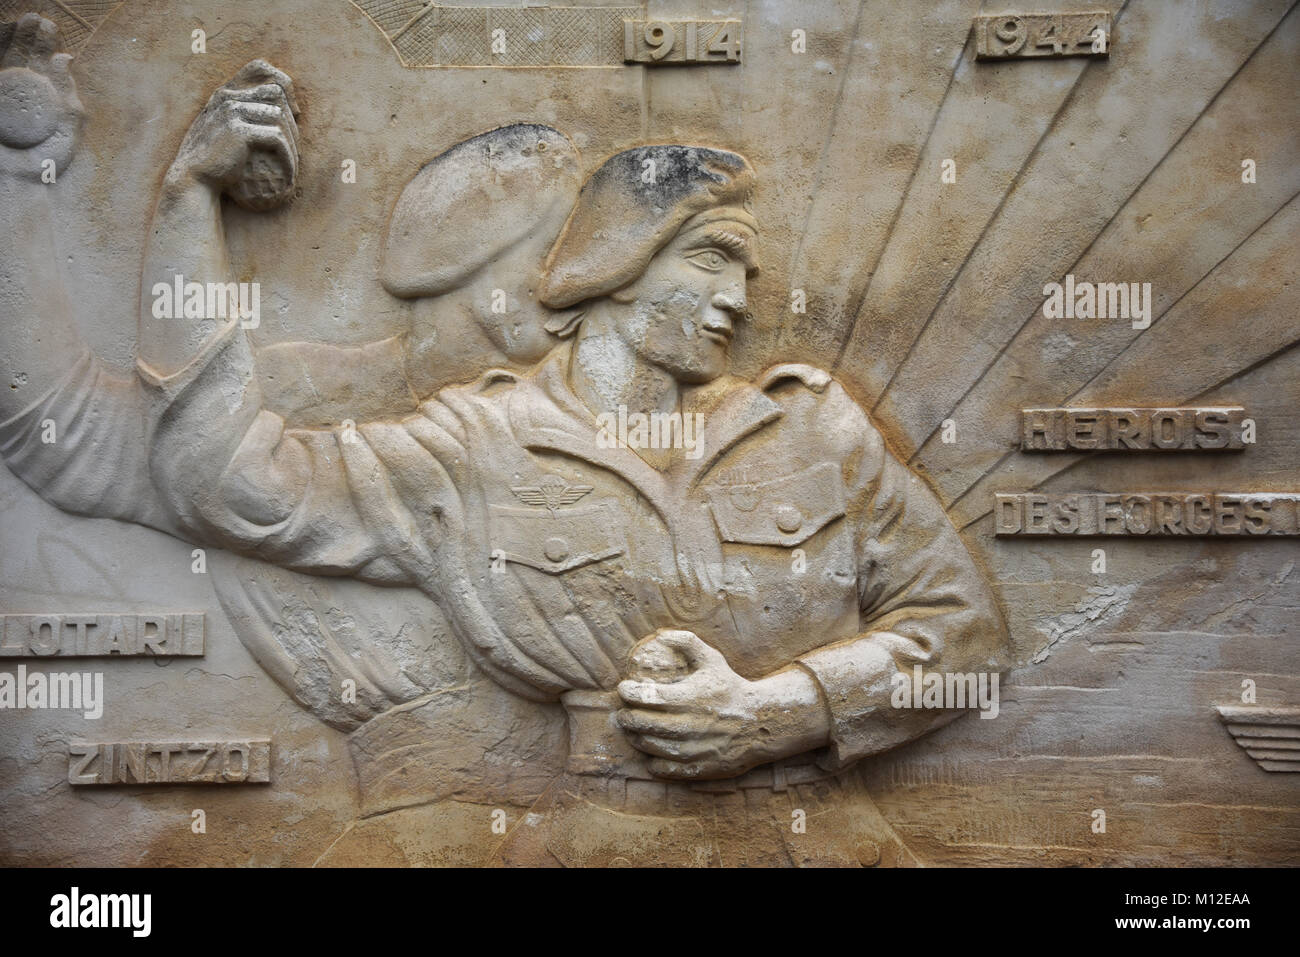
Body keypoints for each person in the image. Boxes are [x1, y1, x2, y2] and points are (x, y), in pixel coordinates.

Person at [2, 31, 1009, 864]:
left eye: (745, 272)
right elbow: (217, 482)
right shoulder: (468, 447)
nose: (740, 302)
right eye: (709, 262)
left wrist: (782, 710)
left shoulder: (813, 424)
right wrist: (186, 204)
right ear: (611, 270)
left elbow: (964, 632)